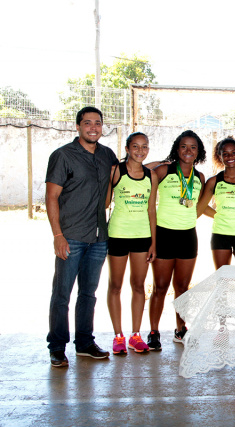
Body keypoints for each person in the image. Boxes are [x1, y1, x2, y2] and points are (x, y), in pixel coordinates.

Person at [45, 106, 118, 367]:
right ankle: (57, 347)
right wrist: (57, 235)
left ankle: (85, 342)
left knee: (88, 293)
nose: (93, 127)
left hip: (99, 238)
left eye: (97, 123)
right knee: (62, 294)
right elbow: (51, 197)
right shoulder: (63, 156)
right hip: (71, 237)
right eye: (87, 123)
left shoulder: (107, 155)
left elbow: (118, 180)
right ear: (77, 126)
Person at [147, 130, 206, 351]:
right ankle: (154, 332)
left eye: (193, 147)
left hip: (188, 236)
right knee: (160, 287)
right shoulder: (163, 170)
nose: (188, 151)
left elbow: (197, 205)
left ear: (198, 151)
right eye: (183, 146)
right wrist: (163, 160)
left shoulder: (199, 178)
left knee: (182, 287)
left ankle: (181, 329)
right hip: (163, 234)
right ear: (177, 149)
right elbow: (140, 169)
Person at [106, 132, 158, 355]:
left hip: (142, 237)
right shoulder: (116, 171)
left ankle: (135, 336)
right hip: (118, 234)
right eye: (135, 146)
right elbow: (106, 202)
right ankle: (118, 336)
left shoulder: (151, 176)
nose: (140, 150)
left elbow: (151, 210)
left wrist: (153, 242)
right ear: (127, 148)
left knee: (138, 286)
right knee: (115, 286)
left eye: (144, 147)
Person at [197, 137, 235, 269]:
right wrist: (220, 215)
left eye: (234, 152)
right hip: (220, 235)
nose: (230, 156)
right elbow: (200, 208)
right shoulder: (213, 181)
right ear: (220, 156)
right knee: (223, 280)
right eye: (225, 153)